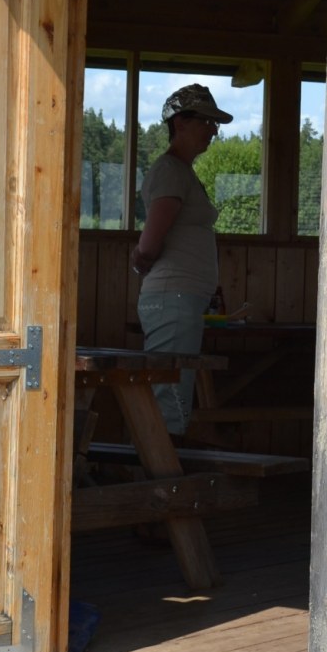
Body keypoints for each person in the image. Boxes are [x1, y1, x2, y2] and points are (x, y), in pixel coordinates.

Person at [130, 83, 233, 437]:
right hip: (172, 298)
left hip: (179, 298)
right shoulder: (171, 171)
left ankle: (163, 462)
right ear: (180, 123)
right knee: (169, 393)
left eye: (214, 123)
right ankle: (161, 466)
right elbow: (150, 240)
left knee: (172, 389)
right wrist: (141, 258)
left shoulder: (181, 172)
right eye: (206, 121)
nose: (213, 130)